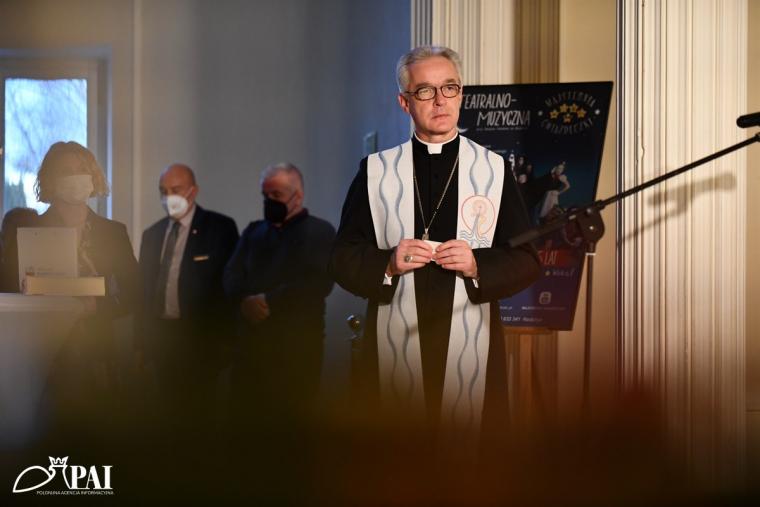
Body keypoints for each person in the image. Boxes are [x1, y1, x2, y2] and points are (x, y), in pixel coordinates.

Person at [330, 46, 541, 448]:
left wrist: (477, 265)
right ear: (404, 102)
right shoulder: (375, 172)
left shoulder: (494, 170)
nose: (440, 100)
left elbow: (526, 259)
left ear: (461, 94)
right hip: (393, 340)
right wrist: (388, 263)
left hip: (472, 339)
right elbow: (341, 258)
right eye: (425, 91)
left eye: (450, 87)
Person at [0, 141, 140, 442]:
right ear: (51, 179)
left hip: (99, 358)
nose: (76, 177)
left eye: (82, 170)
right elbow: (7, 292)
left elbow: (135, 293)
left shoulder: (113, 232)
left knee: (98, 445)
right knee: (47, 443)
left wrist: (98, 307)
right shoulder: (28, 231)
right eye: (66, 171)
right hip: (44, 360)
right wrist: (28, 293)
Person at [223, 162, 335, 432]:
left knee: (292, 429)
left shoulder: (320, 232)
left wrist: (267, 301)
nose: (269, 202)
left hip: (296, 352)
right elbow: (231, 275)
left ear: (298, 196)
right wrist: (245, 301)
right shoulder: (254, 231)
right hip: (251, 351)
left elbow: (317, 283)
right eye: (265, 195)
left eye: (276, 195)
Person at [138, 163, 239, 432]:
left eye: (176, 189)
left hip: (201, 343)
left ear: (193, 191)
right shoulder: (152, 235)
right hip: (162, 340)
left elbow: (230, 288)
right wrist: (141, 344)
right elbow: (144, 292)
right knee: (164, 419)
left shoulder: (220, 228)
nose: (168, 197)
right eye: (163, 191)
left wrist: (225, 343)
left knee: (199, 420)